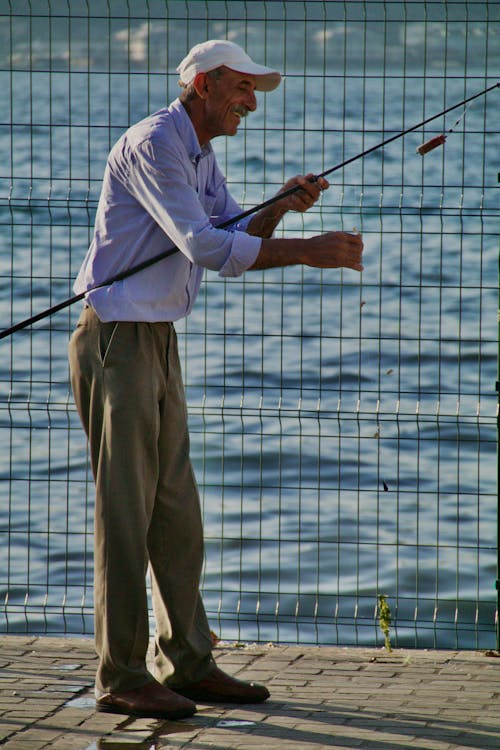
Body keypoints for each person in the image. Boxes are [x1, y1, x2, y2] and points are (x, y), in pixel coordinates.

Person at [68, 39, 363, 721]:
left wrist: (284, 206)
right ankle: (120, 675)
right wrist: (308, 253)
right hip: (116, 339)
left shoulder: (199, 152)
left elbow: (233, 230)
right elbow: (204, 246)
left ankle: (190, 663)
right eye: (242, 89)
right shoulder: (155, 144)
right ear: (203, 84)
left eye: (255, 91)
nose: (251, 104)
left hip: (155, 337)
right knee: (125, 511)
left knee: (177, 513)